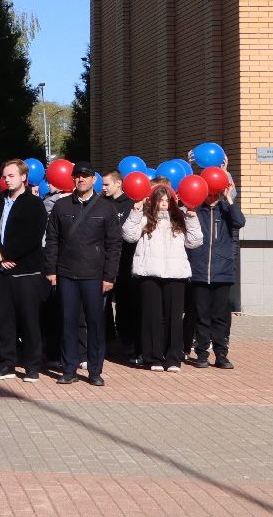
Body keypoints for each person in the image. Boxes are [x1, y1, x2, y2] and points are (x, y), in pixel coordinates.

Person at [42, 165, 121, 387]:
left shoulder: (106, 207)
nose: (81, 180)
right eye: (77, 176)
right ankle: (69, 369)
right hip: (66, 273)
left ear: (93, 180)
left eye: (85, 176)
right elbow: (52, 239)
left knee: (95, 324)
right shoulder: (62, 205)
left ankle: (95, 370)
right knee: (67, 322)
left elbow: (114, 244)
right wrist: (51, 269)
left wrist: (109, 276)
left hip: (95, 275)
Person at [0, 159, 49, 382]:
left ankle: (32, 366)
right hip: (0, 271)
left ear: (23, 178)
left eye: (12, 175)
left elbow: (32, 236)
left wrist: (7, 253)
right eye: (5, 176)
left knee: (29, 321)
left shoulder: (34, 203)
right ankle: (7, 363)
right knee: (4, 320)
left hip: (26, 272)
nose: (7, 179)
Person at [123, 183, 203, 372]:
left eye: (168, 200)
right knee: (151, 317)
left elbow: (195, 242)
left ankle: (173, 357)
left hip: (175, 275)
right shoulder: (145, 219)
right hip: (149, 273)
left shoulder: (180, 219)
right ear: (154, 202)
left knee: (174, 317)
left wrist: (192, 219)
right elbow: (128, 235)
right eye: (161, 200)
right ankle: (153, 357)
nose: (164, 204)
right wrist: (135, 211)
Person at [187, 171, 244, 369]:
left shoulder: (226, 210)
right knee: (202, 315)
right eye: (209, 193)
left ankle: (221, 354)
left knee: (220, 316)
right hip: (200, 271)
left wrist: (228, 199)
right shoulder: (197, 210)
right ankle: (202, 353)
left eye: (215, 193)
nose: (212, 197)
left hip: (222, 272)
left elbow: (240, 222)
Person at [100, 170, 140, 361]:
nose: (104, 188)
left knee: (126, 303)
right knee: (103, 303)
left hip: (126, 262)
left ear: (118, 183)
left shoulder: (130, 203)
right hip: (105, 261)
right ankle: (106, 340)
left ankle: (127, 342)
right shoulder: (101, 203)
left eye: (107, 184)